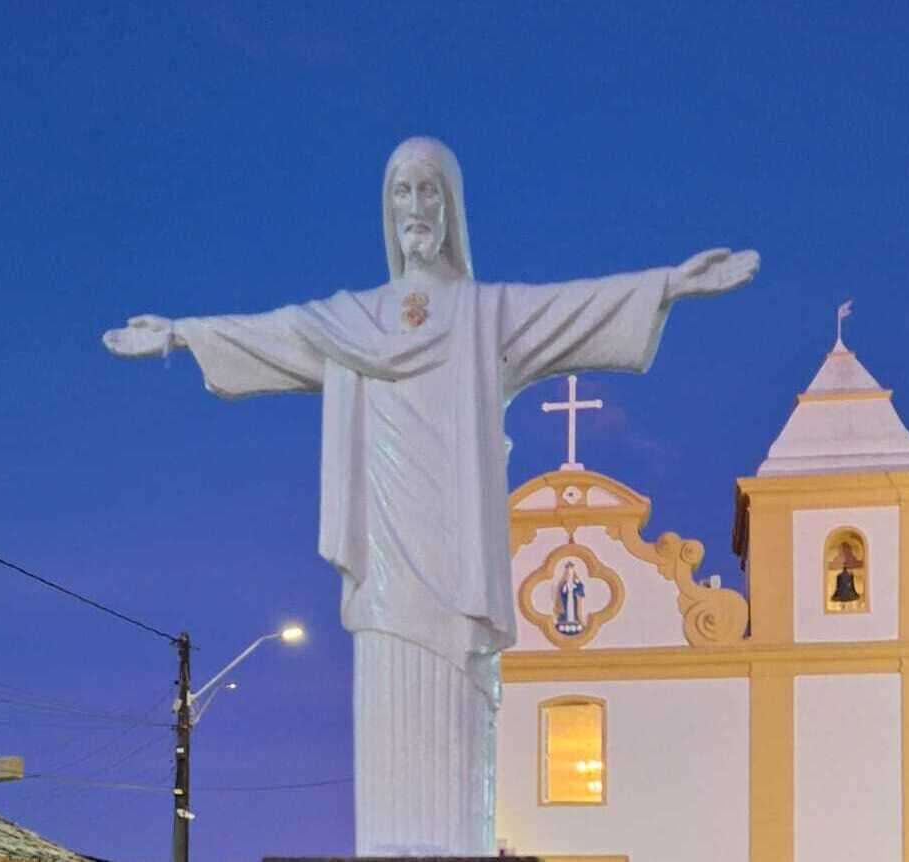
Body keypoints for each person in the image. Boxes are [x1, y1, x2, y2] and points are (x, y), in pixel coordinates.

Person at [103, 136, 758, 855]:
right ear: (387, 210)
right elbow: (274, 334)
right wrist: (181, 335)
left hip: (457, 551)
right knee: (390, 692)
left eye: (428, 190)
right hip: (384, 556)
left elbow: (575, 309)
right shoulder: (350, 322)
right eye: (401, 191)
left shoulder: (486, 316)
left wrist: (668, 285)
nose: (414, 206)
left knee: (457, 689)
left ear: (451, 208)